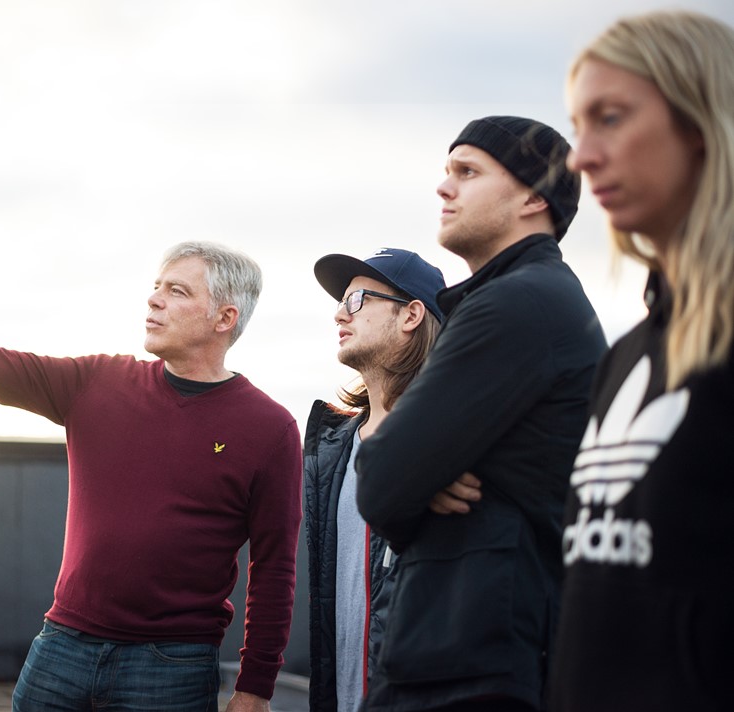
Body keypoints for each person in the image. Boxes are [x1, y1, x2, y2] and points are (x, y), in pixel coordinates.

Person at [0, 242, 303, 712]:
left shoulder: (269, 428)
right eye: (156, 285)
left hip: (170, 668)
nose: (153, 299)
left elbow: (275, 566)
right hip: (61, 649)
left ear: (225, 317)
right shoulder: (97, 382)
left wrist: (254, 689)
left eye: (177, 291)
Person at [354, 117, 607, 711]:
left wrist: (413, 474)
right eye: (446, 172)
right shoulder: (524, 297)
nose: (444, 188)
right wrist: (419, 473)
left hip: (471, 663)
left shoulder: (518, 303)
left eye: (467, 172)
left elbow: (384, 474)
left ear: (534, 194)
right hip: (469, 649)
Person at [551, 11, 734, 711]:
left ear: (700, 122)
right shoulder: (626, 354)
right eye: (578, 126)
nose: (580, 156)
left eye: (611, 118)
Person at [305, 248, 479, 712]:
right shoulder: (331, 448)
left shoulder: (463, 441)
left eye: (357, 299)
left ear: (412, 314)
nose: (339, 313)